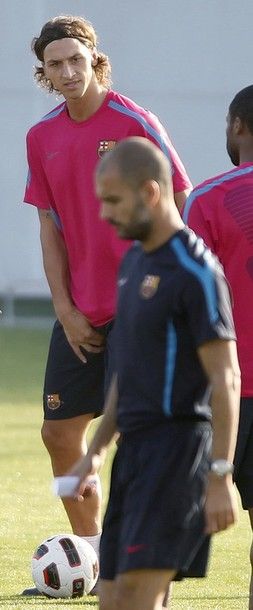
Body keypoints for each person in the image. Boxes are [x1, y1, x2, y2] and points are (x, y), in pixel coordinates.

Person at [22, 14, 192, 596]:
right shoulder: (40, 137)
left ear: (95, 58)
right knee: (58, 433)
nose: (68, 72)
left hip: (141, 307)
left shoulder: (133, 123)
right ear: (43, 73)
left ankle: (135, 565)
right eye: (55, 64)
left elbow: (182, 202)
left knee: (139, 435)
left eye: (76, 59)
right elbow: (50, 226)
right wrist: (65, 309)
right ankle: (92, 556)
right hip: (82, 309)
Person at [67, 137, 240, 610]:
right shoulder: (135, 263)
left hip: (177, 452)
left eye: (113, 201)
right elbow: (128, 371)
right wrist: (97, 451)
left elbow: (226, 377)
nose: (104, 214)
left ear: (149, 193)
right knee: (114, 599)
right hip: (134, 453)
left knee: (140, 600)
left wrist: (220, 473)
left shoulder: (196, 270)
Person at [182, 84, 253, 610]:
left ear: (236, 126)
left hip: (226, 389)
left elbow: (185, 299)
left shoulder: (206, 199)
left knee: (162, 528)